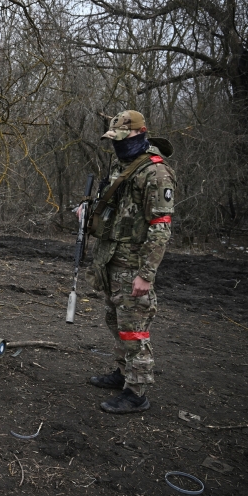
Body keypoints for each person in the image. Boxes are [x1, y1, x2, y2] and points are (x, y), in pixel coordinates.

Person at [85, 110, 176, 414]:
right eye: (114, 139)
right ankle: (123, 373)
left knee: (134, 328)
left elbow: (160, 227)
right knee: (115, 320)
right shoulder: (122, 165)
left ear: (141, 133)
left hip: (133, 264)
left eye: (122, 138)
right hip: (111, 258)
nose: (117, 144)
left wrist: (146, 275)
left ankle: (137, 391)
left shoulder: (155, 172)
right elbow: (116, 208)